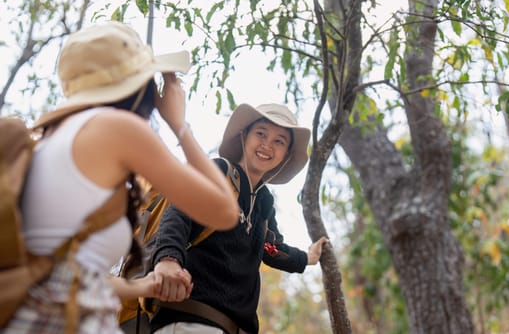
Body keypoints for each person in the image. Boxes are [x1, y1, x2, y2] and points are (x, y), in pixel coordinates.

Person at [2, 21, 238, 333]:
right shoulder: (116, 128)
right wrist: (179, 124)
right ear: (142, 86)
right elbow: (223, 211)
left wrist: (145, 287)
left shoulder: (49, 141)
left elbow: (70, 277)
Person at [151, 103, 330, 334]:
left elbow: (270, 248)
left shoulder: (264, 203)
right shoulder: (219, 172)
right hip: (192, 320)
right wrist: (167, 259)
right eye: (261, 133)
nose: (267, 145)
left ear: (285, 155)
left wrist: (307, 257)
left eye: (279, 141)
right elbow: (179, 212)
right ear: (244, 135)